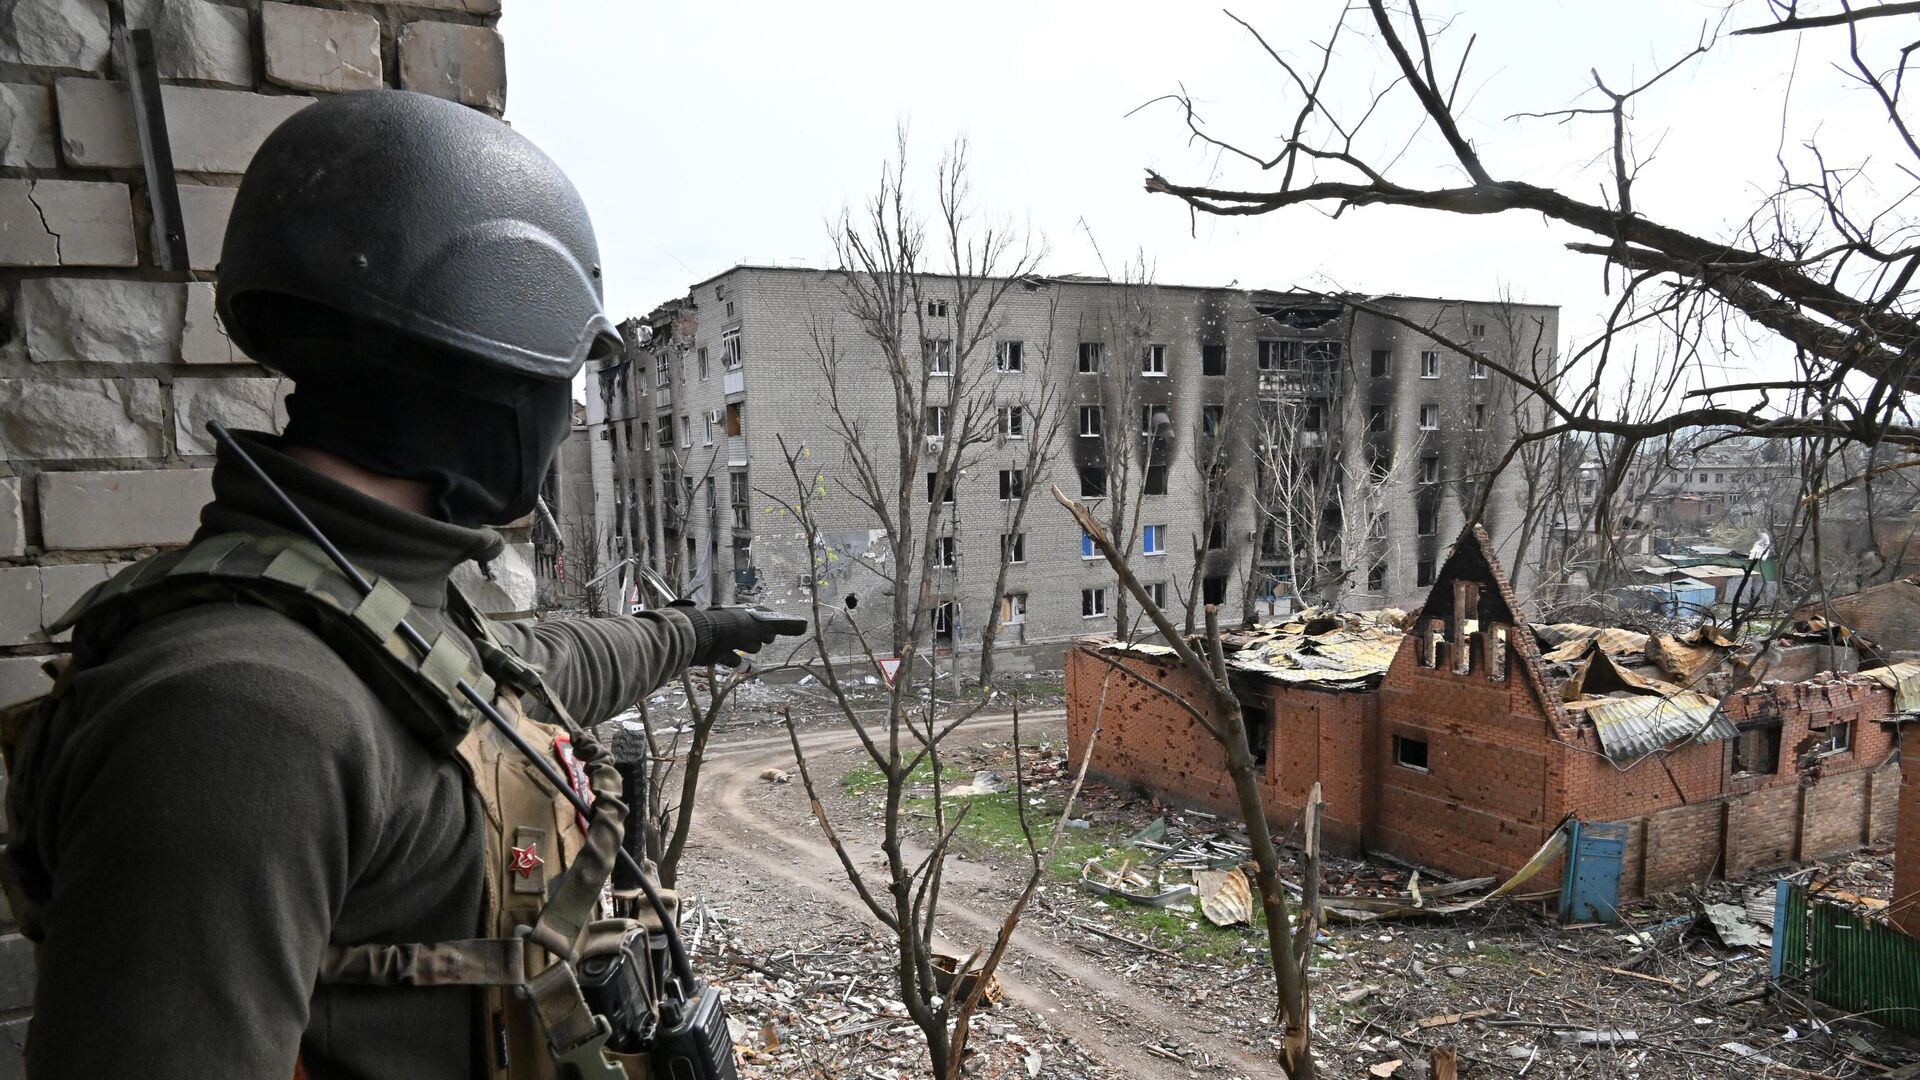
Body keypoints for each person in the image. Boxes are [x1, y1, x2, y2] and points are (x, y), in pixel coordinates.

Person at [3, 90, 803, 1080]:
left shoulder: (368, 611)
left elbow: (530, 677)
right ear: (494, 378)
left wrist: (699, 628)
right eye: (562, 377)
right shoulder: (244, 717)